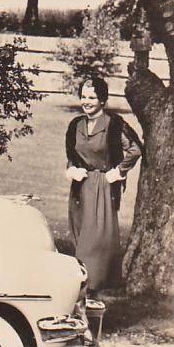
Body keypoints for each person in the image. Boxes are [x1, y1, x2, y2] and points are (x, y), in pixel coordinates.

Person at [65, 76, 142, 293]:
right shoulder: (76, 125)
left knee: (94, 245)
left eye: (92, 97)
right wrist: (72, 168)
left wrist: (117, 172)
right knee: (80, 241)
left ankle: (89, 291)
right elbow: (72, 153)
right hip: (80, 190)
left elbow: (135, 149)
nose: (86, 101)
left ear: (102, 100)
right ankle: (81, 298)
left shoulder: (113, 124)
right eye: (83, 96)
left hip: (102, 189)